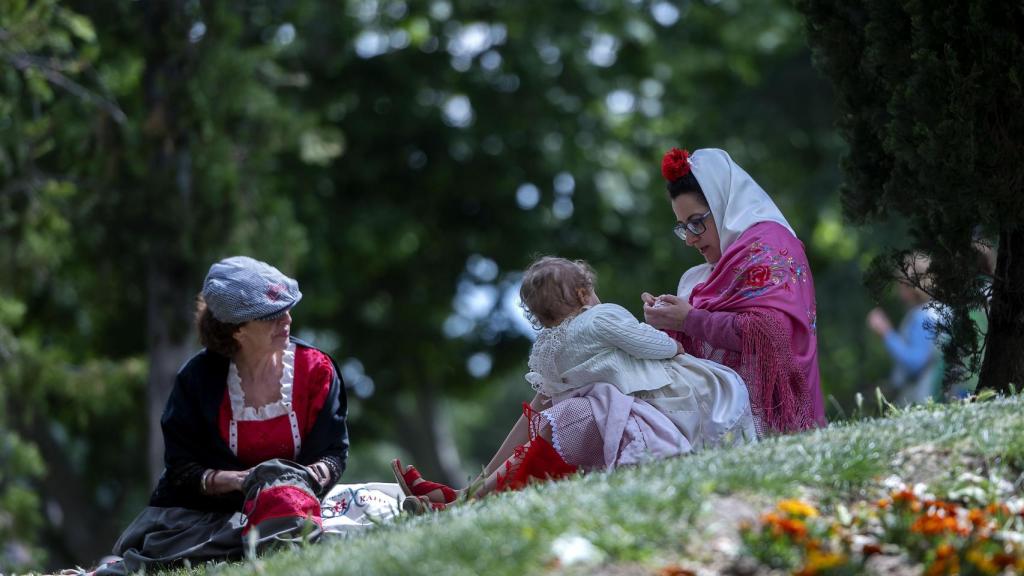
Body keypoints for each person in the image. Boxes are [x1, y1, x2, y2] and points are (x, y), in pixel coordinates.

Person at [394, 256, 755, 511]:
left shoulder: (548, 347)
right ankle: (464, 496)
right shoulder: (602, 316)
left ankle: (468, 491)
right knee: (716, 389)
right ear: (584, 294)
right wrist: (672, 343)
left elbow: (537, 409)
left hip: (575, 417)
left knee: (535, 434)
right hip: (633, 408)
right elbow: (651, 344)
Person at [99, 256, 349, 574]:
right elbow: (181, 468)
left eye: (287, 309)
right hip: (205, 519)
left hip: (297, 503)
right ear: (237, 331)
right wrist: (241, 481)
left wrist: (295, 481)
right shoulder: (197, 380)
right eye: (270, 316)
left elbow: (333, 453)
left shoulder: (316, 371)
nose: (286, 320)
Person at [642, 147, 826, 436]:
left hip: (776, 425)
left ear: (722, 204)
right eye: (683, 228)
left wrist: (688, 320)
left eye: (696, 223)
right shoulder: (720, 266)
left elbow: (771, 333)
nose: (689, 239)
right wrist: (666, 319)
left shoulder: (767, 246)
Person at [867, 253, 943, 405]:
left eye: (900, 285)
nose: (898, 291)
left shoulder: (922, 317)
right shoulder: (939, 310)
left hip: (922, 398)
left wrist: (886, 333)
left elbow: (915, 362)